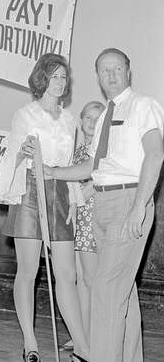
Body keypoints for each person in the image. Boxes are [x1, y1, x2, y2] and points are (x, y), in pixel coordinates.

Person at [45, 48, 164, 362]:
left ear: (128, 71)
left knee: (105, 290)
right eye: (104, 70)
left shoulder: (143, 106)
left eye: (117, 68)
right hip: (102, 201)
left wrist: (140, 206)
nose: (111, 75)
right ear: (97, 77)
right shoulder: (103, 119)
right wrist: (52, 172)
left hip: (129, 199)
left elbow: (155, 154)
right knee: (123, 292)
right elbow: (92, 168)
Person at [0, 53, 89, 362]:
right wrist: (23, 151)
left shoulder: (71, 119)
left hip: (60, 191)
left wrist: (73, 199)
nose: (60, 83)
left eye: (64, 77)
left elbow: (72, 164)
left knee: (68, 274)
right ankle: (30, 343)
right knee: (29, 271)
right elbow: (13, 157)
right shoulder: (25, 115)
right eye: (55, 76)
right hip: (31, 191)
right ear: (41, 79)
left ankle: (82, 346)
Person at [73, 101, 105, 342]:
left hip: (93, 218)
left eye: (98, 118)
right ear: (81, 121)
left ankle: (96, 337)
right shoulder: (77, 150)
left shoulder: (104, 150)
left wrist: (80, 196)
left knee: (92, 280)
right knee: (81, 281)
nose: (92, 123)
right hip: (75, 219)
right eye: (88, 118)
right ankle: (82, 335)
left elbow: (97, 182)